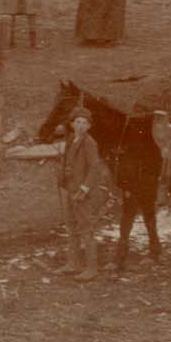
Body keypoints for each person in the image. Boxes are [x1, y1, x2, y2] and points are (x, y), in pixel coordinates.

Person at [59, 108, 107, 275]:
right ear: (72, 124)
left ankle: (91, 268)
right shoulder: (71, 139)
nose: (80, 125)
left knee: (85, 228)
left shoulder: (89, 142)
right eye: (77, 122)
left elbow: (95, 168)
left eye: (84, 123)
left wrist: (84, 188)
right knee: (71, 227)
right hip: (68, 189)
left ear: (89, 126)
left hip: (81, 192)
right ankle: (74, 263)